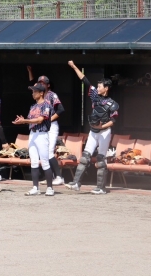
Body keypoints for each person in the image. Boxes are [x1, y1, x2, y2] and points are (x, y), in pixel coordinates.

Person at [65, 61, 119, 195]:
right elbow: (85, 80)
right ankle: (76, 183)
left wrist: (102, 126)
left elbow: (113, 121)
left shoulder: (112, 104)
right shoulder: (95, 96)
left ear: (106, 88)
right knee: (85, 157)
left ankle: (101, 188)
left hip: (104, 132)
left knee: (101, 159)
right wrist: (74, 66)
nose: (98, 87)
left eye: (100, 86)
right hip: (93, 131)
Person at [13, 83, 55, 196]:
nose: (33, 93)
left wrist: (25, 121)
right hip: (33, 134)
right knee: (34, 162)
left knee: (45, 161)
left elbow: (40, 120)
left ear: (41, 93)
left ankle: (50, 188)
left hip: (42, 134)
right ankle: (35, 187)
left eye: (35, 91)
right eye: (32, 91)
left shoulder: (46, 105)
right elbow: (30, 120)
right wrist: (22, 120)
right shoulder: (33, 106)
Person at [28, 68, 66, 186]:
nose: (41, 84)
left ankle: (59, 177)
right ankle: (50, 176)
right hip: (40, 127)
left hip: (51, 125)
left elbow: (61, 109)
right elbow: (32, 83)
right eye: (40, 82)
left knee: (49, 152)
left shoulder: (51, 95)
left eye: (43, 83)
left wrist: (49, 119)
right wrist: (30, 71)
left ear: (48, 85)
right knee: (43, 153)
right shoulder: (38, 96)